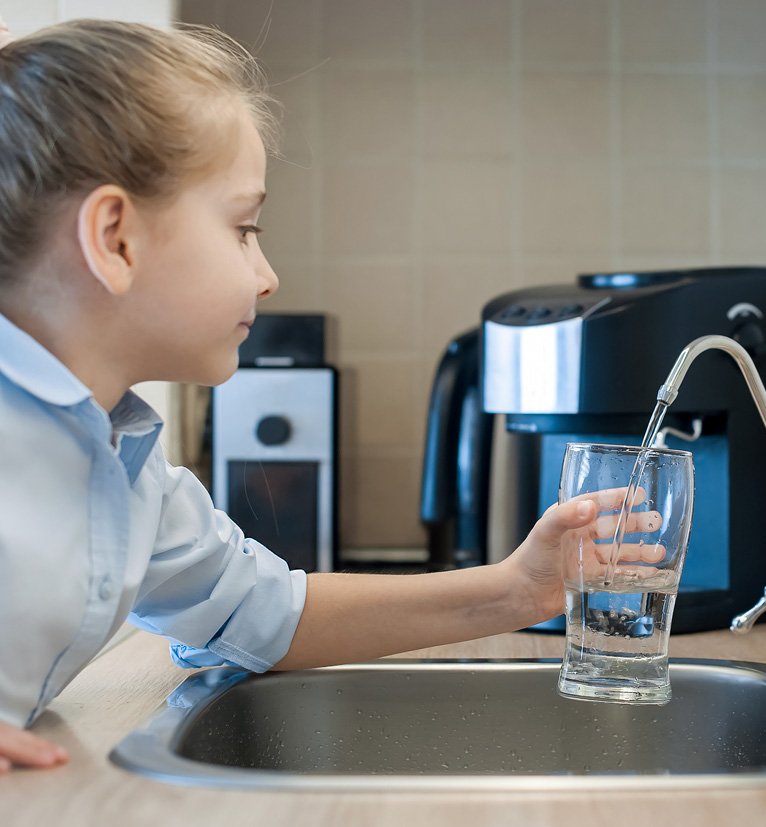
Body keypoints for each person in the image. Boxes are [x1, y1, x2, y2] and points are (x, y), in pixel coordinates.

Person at [0, 17, 662, 774]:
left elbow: (265, 612)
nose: (266, 274)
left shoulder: (126, 466)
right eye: (243, 228)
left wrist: (519, 588)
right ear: (116, 239)